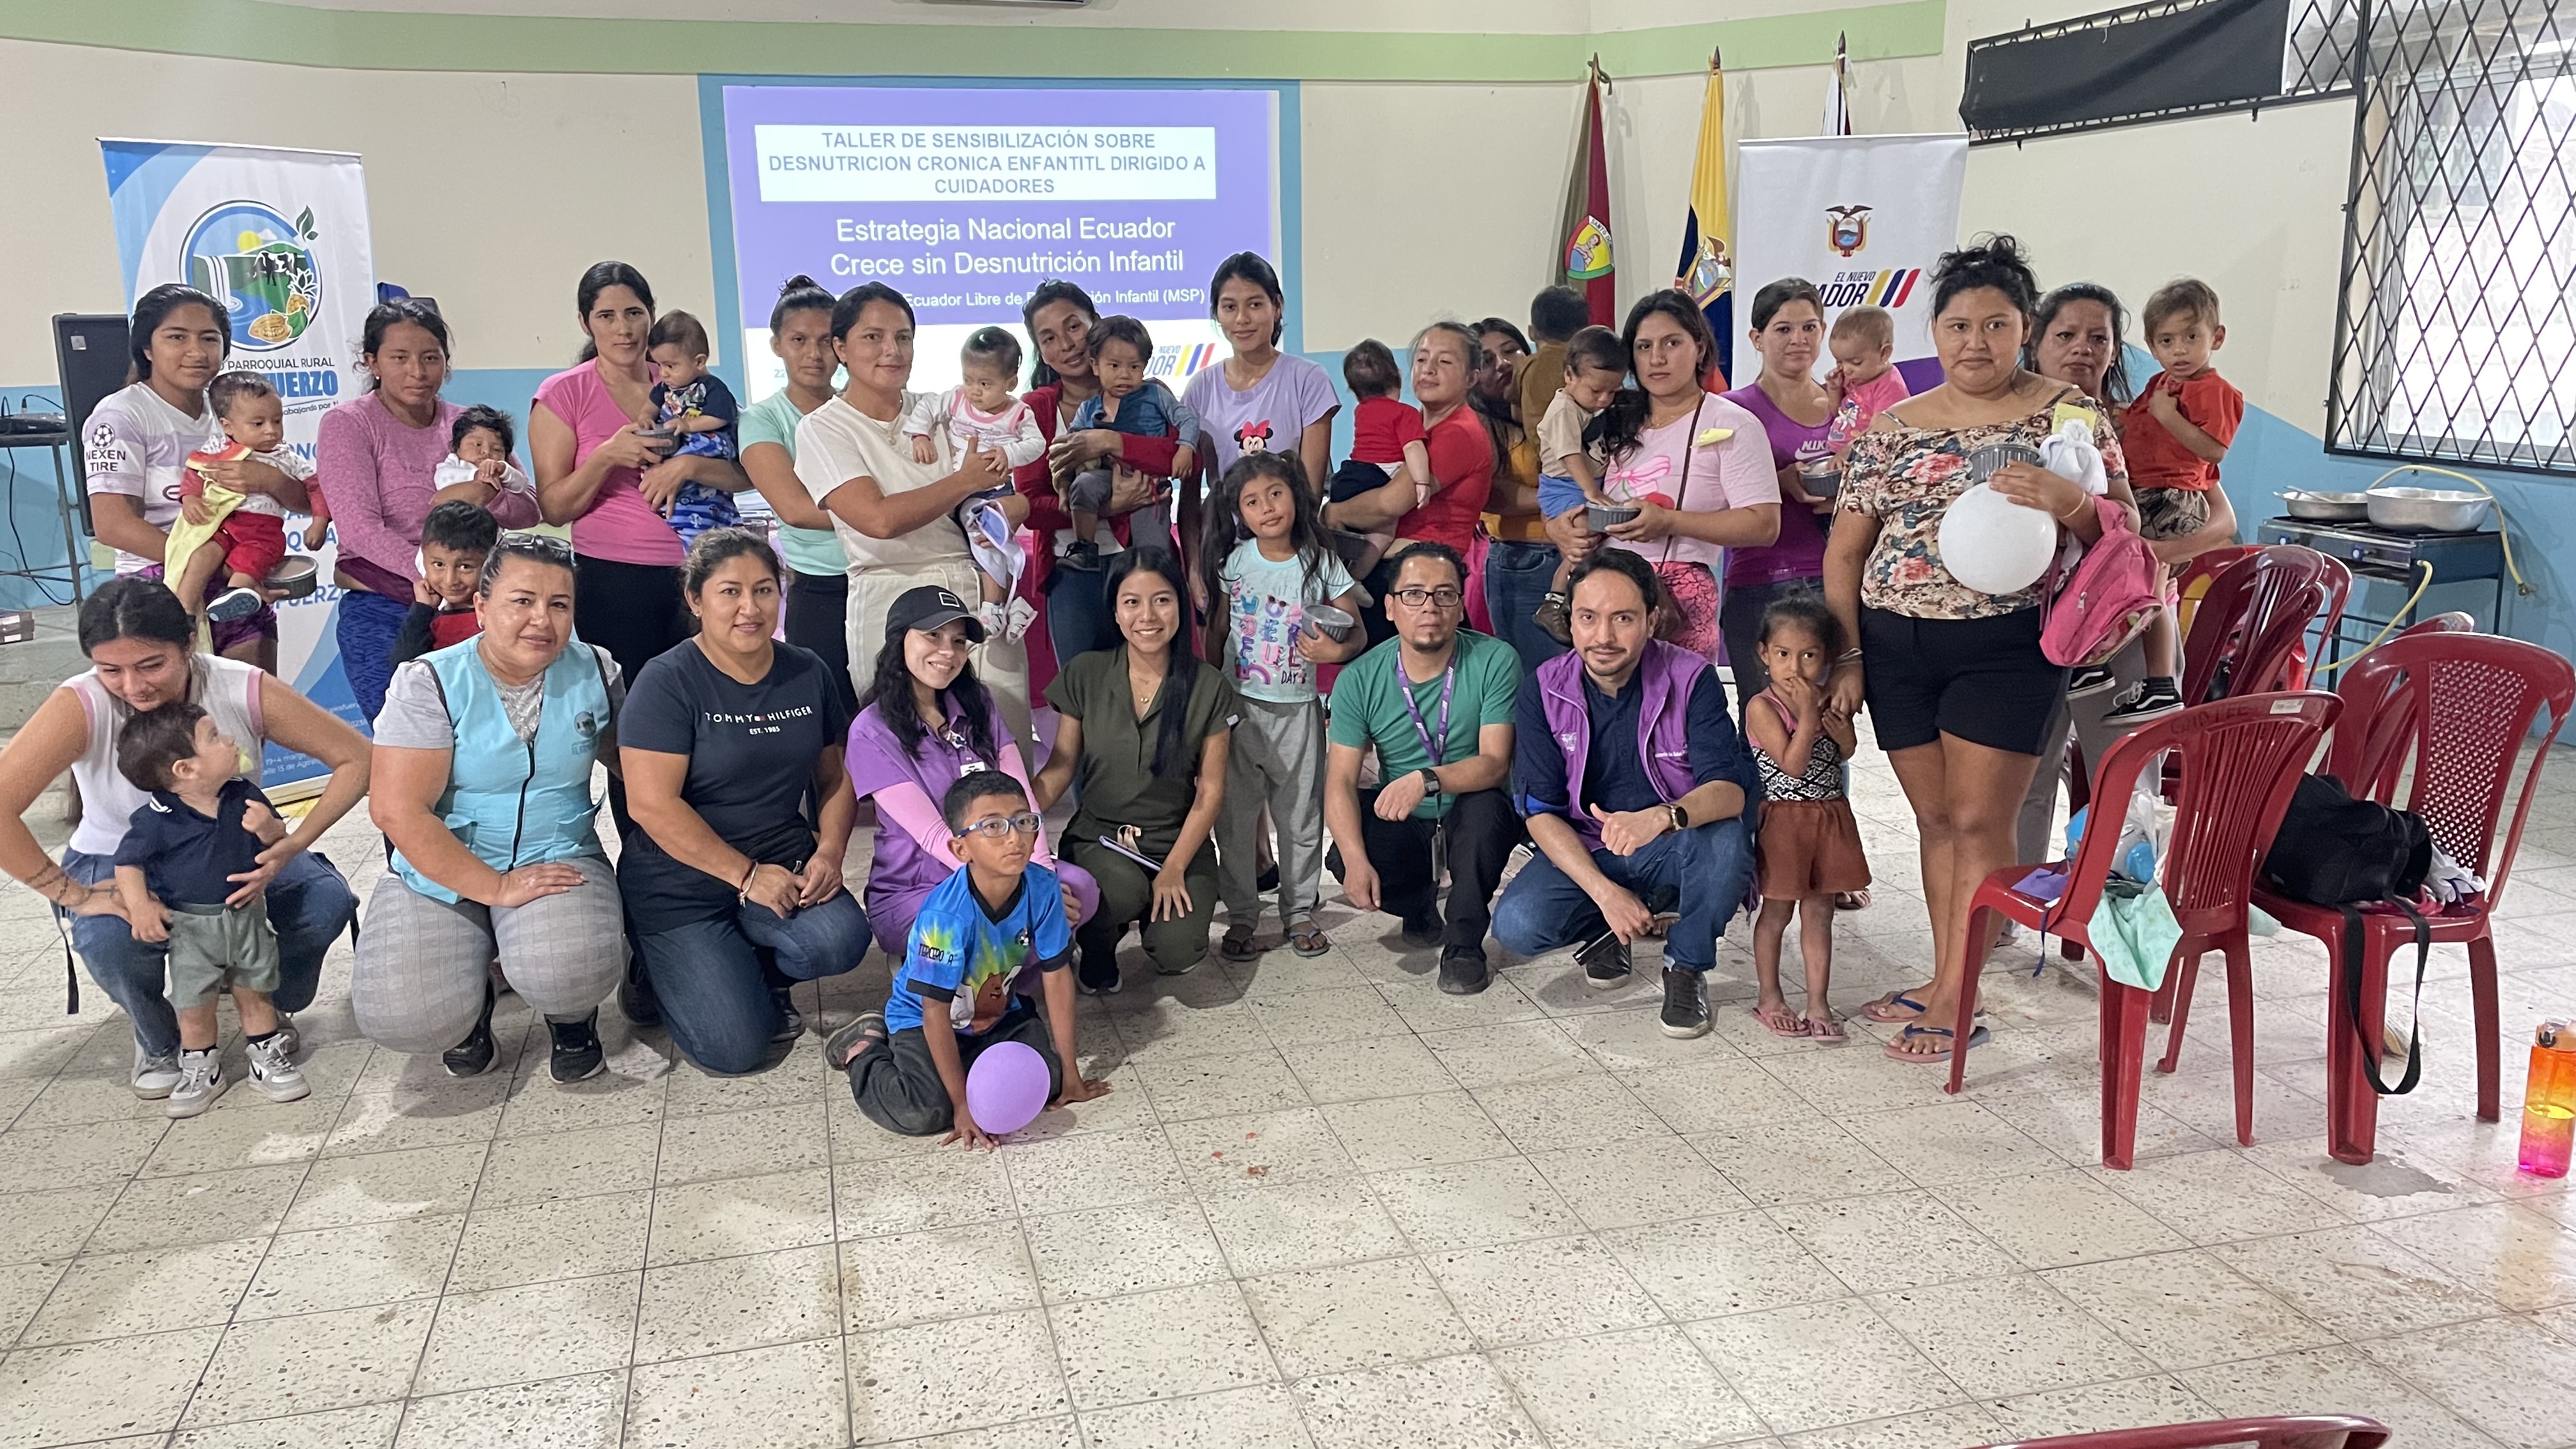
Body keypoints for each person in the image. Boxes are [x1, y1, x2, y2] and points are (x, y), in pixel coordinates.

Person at [1826, 235, 2139, 1064]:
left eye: (1996, 325)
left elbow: (2124, 531)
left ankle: (1959, 997)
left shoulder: (2066, 413)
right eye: (1959, 325)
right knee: (1935, 820)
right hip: (1895, 645)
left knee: (1979, 820)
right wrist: (1849, 657)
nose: (1976, 342)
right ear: (1934, 331)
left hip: (2008, 644)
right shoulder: (1891, 429)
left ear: (2023, 329)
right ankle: (1943, 978)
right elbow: (1844, 553)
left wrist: (2070, 500)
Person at [0, 579, 364, 1094]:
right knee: (110, 939)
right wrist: (73, 895)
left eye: (151, 665)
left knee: (324, 901)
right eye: (111, 670)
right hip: (120, 857)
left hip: (231, 850)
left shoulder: (238, 686)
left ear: (190, 642)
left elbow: (357, 758)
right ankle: (159, 1038)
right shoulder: (80, 704)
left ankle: (261, 1000)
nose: (134, 687)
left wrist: (292, 844)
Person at [355, 534, 631, 1084]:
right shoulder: (428, 681)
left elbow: (633, 766)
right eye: (522, 601)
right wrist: (496, 888)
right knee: (406, 1014)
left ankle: (571, 1020)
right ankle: (471, 1007)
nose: (542, 620)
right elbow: (397, 811)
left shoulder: (597, 670)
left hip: (556, 853)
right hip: (440, 868)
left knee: (569, 972)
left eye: (559, 604)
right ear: (481, 607)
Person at [620, 530, 870, 1075]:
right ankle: (654, 966)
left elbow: (834, 777)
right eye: (730, 592)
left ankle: (753, 964)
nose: (750, 609)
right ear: (695, 599)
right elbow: (650, 805)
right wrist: (746, 876)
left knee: (840, 941)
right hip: (679, 878)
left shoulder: (807, 670)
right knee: (735, 1050)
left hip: (779, 856)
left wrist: (830, 852)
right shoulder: (666, 681)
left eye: (764, 590)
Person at [1492, 550, 1756, 1038]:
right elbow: (1540, 813)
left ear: (1652, 620)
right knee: (1518, 926)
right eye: (1588, 618)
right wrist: (1605, 894)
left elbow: (1729, 792)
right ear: (1569, 621)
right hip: (1591, 848)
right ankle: (1608, 926)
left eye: (1623, 619)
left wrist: (1661, 817)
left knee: (1725, 841)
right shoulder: (1543, 690)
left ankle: (1686, 966)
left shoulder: (1692, 678)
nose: (1604, 637)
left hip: (1671, 840)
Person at [793, 282, 1036, 755]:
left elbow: (1008, 490)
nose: (893, 350)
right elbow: (877, 520)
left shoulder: (946, 409)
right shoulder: (823, 428)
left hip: (975, 596)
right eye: (874, 337)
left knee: (1003, 751)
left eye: (903, 337)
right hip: (888, 597)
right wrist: (963, 482)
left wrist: (1011, 509)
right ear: (840, 347)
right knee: (911, 755)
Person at [831, 772, 1107, 1144]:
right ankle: (863, 1049)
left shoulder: (1043, 888)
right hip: (923, 1019)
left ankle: (976, 1065)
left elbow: (1057, 976)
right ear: (961, 849)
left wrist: (1072, 1074)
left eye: (1024, 821)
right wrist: (961, 1104)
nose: (1015, 837)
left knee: (1049, 1080)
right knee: (925, 1112)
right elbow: (933, 1011)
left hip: (998, 1015)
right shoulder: (944, 918)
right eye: (993, 826)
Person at [2012, 282, 2175, 868]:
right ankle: (2017, 903)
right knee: (2026, 781)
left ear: (2114, 351)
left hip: (2117, 620)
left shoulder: (2129, 425)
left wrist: (2089, 517)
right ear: (2034, 341)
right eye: (2066, 335)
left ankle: (2122, 907)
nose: (2082, 348)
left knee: (2126, 780)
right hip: (2028, 624)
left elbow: (2167, 516)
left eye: (2098, 338)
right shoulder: (2001, 420)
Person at [845, 586, 1100, 958]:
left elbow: (1022, 800)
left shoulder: (978, 703)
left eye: (958, 641)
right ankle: (989, 972)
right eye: (933, 636)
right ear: (899, 641)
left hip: (1003, 864)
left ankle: (1022, 973)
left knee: (1080, 890)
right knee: (978, 918)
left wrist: (1041, 877)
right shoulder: (871, 730)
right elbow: (934, 836)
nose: (948, 652)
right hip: (919, 888)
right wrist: (1021, 890)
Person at [319, 298, 541, 719]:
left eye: (430, 358)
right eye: (399, 358)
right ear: (372, 362)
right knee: (406, 737)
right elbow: (359, 529)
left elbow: (528, 511)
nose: (417, 372)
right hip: (387, 610)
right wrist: (435, 577)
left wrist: (483, 492)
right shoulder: (348, 424)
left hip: (477, 609)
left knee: (489, 732)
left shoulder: (472, 425)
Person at [533, 263, 744, 694]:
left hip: (706, 568)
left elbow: (745, 474)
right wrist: (606, 457)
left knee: (718, 705)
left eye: (634, 313)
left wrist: (688, 467)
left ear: (651, 314)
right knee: (635, 710)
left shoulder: (687, 379)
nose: (624, 329)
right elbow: (554, 509)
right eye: (606, 316)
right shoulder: (563, 393)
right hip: (617, 582)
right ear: (585, 323)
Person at [1035, 548, 1237, 993]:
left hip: (1177, 843)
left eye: (1162, 600)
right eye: (1132, 602)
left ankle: (1152, 918)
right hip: (1102, 838)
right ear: (1115, 610)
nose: (1147, 616)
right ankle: (1098, 944)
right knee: (1119, 892)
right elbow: (1061, 766)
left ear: (1181, 605)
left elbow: (1210, 793)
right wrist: (1018, 818)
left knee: (1178, 953)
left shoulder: (1208, 685)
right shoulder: (1086, 673)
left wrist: (1175, 868)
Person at [84, 284, 313, 675]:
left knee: (248, 700)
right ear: (147, 348)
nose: (196, 352)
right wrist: (218, 568)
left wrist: (269, 480)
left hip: (235, 575)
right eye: (177, 338)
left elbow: (304, 501)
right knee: (182, 708)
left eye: (209, 339)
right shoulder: (121, 416)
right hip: (159, 580)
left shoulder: (236, 411)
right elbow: (113, 525)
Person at [1323, 544, 1522, 993]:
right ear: (1390, 608)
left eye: (1444, 594)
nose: (1429, 607)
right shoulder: (1360, 678)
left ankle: (1464, 946)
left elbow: (1495, 764)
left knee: (1486, 814)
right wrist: (1355, 860)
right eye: (1413, 594)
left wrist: (1429, 779)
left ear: (1460, 605)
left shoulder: (1495, 660)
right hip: (1406, 813)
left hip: (1470, 801)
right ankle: (1418, 906)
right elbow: (1340, 781)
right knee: (1347, 851)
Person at [1201, 453, 1367, 960]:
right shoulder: (1234, 563)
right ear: (1239, 513)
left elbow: (1357, 633)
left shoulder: (1321, 562)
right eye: (1252, 502)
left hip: (1298, 709)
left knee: (1300, 815)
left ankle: (1298, 911)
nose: (1268, 507)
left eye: (1276, 493)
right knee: (1235, 818)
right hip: (1239, 709)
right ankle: (1243, 913)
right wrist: (1210, 694)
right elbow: (1219, 630)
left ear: (1295, 494)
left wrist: (1334, 652)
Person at [110, 705, 310, 1115]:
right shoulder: (157, 820)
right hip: (191, 928)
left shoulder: (243, 794)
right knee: (194, 1003)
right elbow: (128, 864)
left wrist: (269, 829)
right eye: (214, 737)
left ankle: (265, 1057)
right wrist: (140, 906)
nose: (231, 740)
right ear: (185, 769)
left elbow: (279, 836)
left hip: (248, 916)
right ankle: (202, 1068)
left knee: (255, 990)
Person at [1585, 291, 1781, 663]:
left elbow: (1764, 524)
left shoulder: (1732, 422)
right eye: (1644, 347)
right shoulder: (1614, 421)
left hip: (1679, 598)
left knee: (1678, 698)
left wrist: (1669, 521)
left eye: (1672, 343)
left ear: (1700, 348)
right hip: (1606, 591)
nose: (1656, 358)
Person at [2090, 278, 2246, 724]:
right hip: (2145, 492)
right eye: (2167, 341)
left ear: (2217, 337)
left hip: (2173, 497)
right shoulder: (2161, 383)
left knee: (2147, 585)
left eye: (2191, 337)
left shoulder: (2214, 391)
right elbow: (2133, 425)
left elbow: (2214, 451)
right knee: (2126, 576)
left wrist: (2168, 415)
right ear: (2152, 347)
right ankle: (2099, 659)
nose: (2180, 350)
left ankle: (2157, 682)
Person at [1022, 281, 1190, 683]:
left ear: (1095, 324)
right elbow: (1031, 507)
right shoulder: (1035, 409)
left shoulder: (1150, 394)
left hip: (1143, 562)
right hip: (1072, 571)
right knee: (1083, 692)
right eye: (1049, 338)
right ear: (1040, 350)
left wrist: (1111, 442)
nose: (1067, 344)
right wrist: (1110, 506)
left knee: (1158, 688)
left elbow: (1185, 458)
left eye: (1073, 326)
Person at [1740, 593, 1869, 1041]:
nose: (1795, 668)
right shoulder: (1763, 707)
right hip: (1785, 821)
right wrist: (1811, 716)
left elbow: (1843, 754)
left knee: (1819, 913)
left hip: (1830, 816)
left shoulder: (1828, 698)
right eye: (1783, 655)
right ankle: (1769, 996)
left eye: (1809, 656)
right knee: (1777, 912)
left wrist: (1844, 733)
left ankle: (1818, 1002)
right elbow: (1793, 766)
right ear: (1764, 654)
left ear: (1828, 657)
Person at [1323, 323, 1496, 648]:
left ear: (1472, 377)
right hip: (1396, 571)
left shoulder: (1458, 431)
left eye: (1445, 361)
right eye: (1422, 359)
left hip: (1422, 580)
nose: (1429, 369)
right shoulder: (1413, 420)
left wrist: (1334, 513)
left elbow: (1390, 504)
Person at [738, 275, 861, 717]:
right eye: (799, 340)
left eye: (826, 341)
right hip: (820, 589)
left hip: (881, 579)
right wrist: (882, 516)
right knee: (833, 725)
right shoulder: (763, 419)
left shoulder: (861, 409)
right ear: (777, 346)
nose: (814, 354)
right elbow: (795, 509)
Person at [1721, 279, 1839, 705]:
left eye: (1809, 328)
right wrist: (1778, 481)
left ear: (1823, 332)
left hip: (1832, 581)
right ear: (1757, 338)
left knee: (1824, 717)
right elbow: (1711, 494)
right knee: (1761, 719)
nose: (1798, 339)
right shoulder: (1732, 409)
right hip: (1759, 581)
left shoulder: (1846, 406)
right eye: (1784, 329)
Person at [1182, 251, 1339, 547]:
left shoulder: (1308, 379)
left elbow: (1310, 493)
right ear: (1217, 314)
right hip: (1223, 551)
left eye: (1255, 304)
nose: (1242, 319)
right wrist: (1194, 566)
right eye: (1230, 307)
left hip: (1289, 550)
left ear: (1277, 307)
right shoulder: (1200, 388)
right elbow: (1190, 499)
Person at [900, 326, 1045, 636]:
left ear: (1010, 383)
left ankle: (996, 606)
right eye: (968, 380)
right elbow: (928, 408)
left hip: (996, 489)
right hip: (961, 488)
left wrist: (1008, 453)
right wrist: (920, 434)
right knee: (986, 540)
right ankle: (1011, 604)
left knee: (987, 539)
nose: (974, 390)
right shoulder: (956, 399)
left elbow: (1037, 444)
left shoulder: (1018, 413)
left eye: (985, 384)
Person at [1484, 288, 1591, 671]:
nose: (1502, 364)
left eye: (1510, 351)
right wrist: (1570, 500)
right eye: (1486, 359)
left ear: (1530, 336)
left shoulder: (1543, 378)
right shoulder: (1480, 425)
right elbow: (1490, 495)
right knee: (1543, 678)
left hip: (1581, 544)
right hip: (1525, 558)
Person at [167, 371, 303, 626]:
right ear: (228, 426)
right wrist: (190, 498)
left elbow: (314, 489)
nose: (271, 431)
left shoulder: (286, 457)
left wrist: (319, 522)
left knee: (251, 561)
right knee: (200, 557)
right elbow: (196, 470)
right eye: (258, 424)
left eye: (277, 421)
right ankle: (184, 613)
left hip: (262, 532)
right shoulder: (217, 449)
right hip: (224, 525)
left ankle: (234, 594)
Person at [1065, 317, 1199, 573]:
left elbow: (1188, 420)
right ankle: (1084, 548)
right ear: (1095, 365)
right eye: (1114, 366)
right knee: (1084, 485)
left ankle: (1156, 580)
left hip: (1150, 486)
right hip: (1106, 478)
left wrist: (1185, 448)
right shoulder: (1088, 408)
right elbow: (1073, 445)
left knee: (1152, 558)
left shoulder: (1155, 395)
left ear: (1144, 367)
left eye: (1134, 366)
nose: (1124, 375)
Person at [1529, 326, 1629, 642]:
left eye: (1612, 392)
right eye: (1596, 391)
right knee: (1582, 540)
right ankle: (1556, 601)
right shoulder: (1563, 410)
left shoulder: (1590, 407)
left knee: (1588, 546)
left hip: (1585, 483)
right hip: (1563, 486)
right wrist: (1591, 491)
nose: (1604, 400)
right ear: (1569, 375)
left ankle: (1560, 601)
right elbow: (1570, 455)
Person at [1324, 339, 1431, 576]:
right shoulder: (1406, 413)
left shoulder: (1361, 410)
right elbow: (1413, 447)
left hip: (1350, 475)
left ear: (1355, 392)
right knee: (1384, 534)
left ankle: (1335, 562)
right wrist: (1422, 481)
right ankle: (1355, 578)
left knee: (1345, 531)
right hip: (1377, 476)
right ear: (1399, 377)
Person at [644, 309, 745, 544]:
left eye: (671, 366)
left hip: (706, 445)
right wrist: (645, 418)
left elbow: (720, 418)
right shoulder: (666, 388)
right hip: (674, 446)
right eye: (659, 365)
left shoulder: (712, 388)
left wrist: (688, 424)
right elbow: (650, 406)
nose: (663, 374)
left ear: (699, 361)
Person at [388, 500, 498, 670]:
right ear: (423, 558)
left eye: (465, 567)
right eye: (439, 565)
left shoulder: (495, 618)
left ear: (490, 561)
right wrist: (422, 609)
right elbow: (405, 669)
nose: (450, 580)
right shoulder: (430, 616)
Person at [1825, 305, 1913, 446]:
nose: (1846, 370)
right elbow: (1837, 414)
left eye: (1856, 362)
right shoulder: (1854, 377)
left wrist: (1849, 452)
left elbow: (1878, 434)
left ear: (1884, 353)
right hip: (1838, 452)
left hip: (1865, 453)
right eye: (1839, 362)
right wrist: (1835, 390)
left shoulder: (1890, 387)